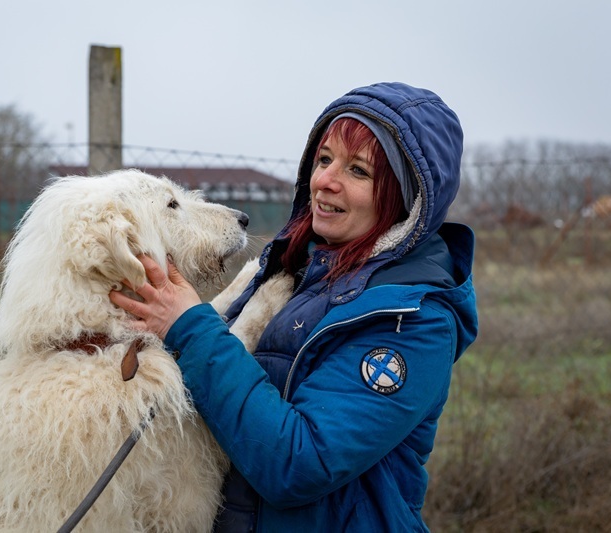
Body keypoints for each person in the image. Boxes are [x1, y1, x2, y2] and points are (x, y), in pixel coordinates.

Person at [110, 82, 478, 532]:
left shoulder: (412, 322)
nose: (326, 180)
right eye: (324, 159)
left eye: (358, 170)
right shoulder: (293, 270)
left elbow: (298, 463)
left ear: (406, 199)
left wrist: (189, 326)